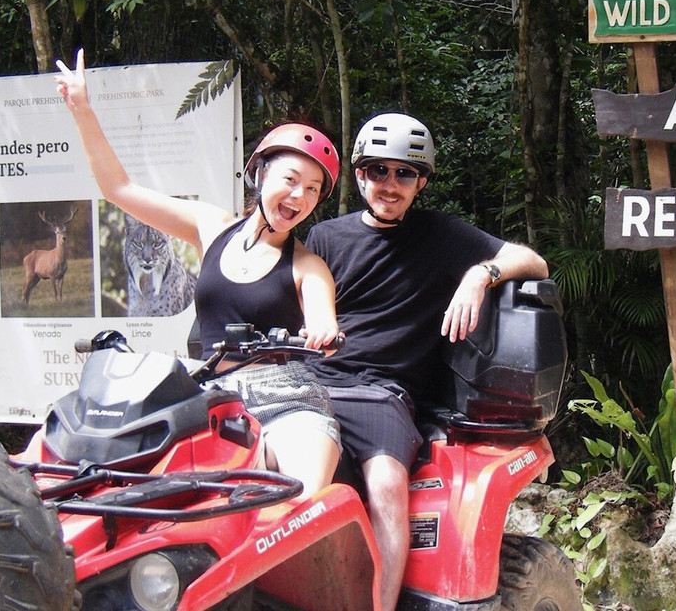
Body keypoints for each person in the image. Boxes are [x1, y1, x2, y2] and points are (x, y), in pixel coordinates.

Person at [55, 49, 343, 496]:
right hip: (211, 396)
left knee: (298, 502)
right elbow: (119, 188)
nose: (298, 196)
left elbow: (325, 317)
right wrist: (81, 110)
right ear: (260, 174)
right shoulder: (211, 227)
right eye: (289, 179)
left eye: (311, 189)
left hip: (289, 401)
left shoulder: (309, 266)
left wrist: (322, 331)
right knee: (141, 488)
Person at [304, 112, 549, 611]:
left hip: (380, 392)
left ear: (422, 181)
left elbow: (534, 262)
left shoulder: (442, 236)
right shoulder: (325, 238)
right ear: (358, 175)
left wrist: (479, 275)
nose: (389, 185)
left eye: (404, 173)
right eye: (377, 170)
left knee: (388, 483)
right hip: (312, 381)